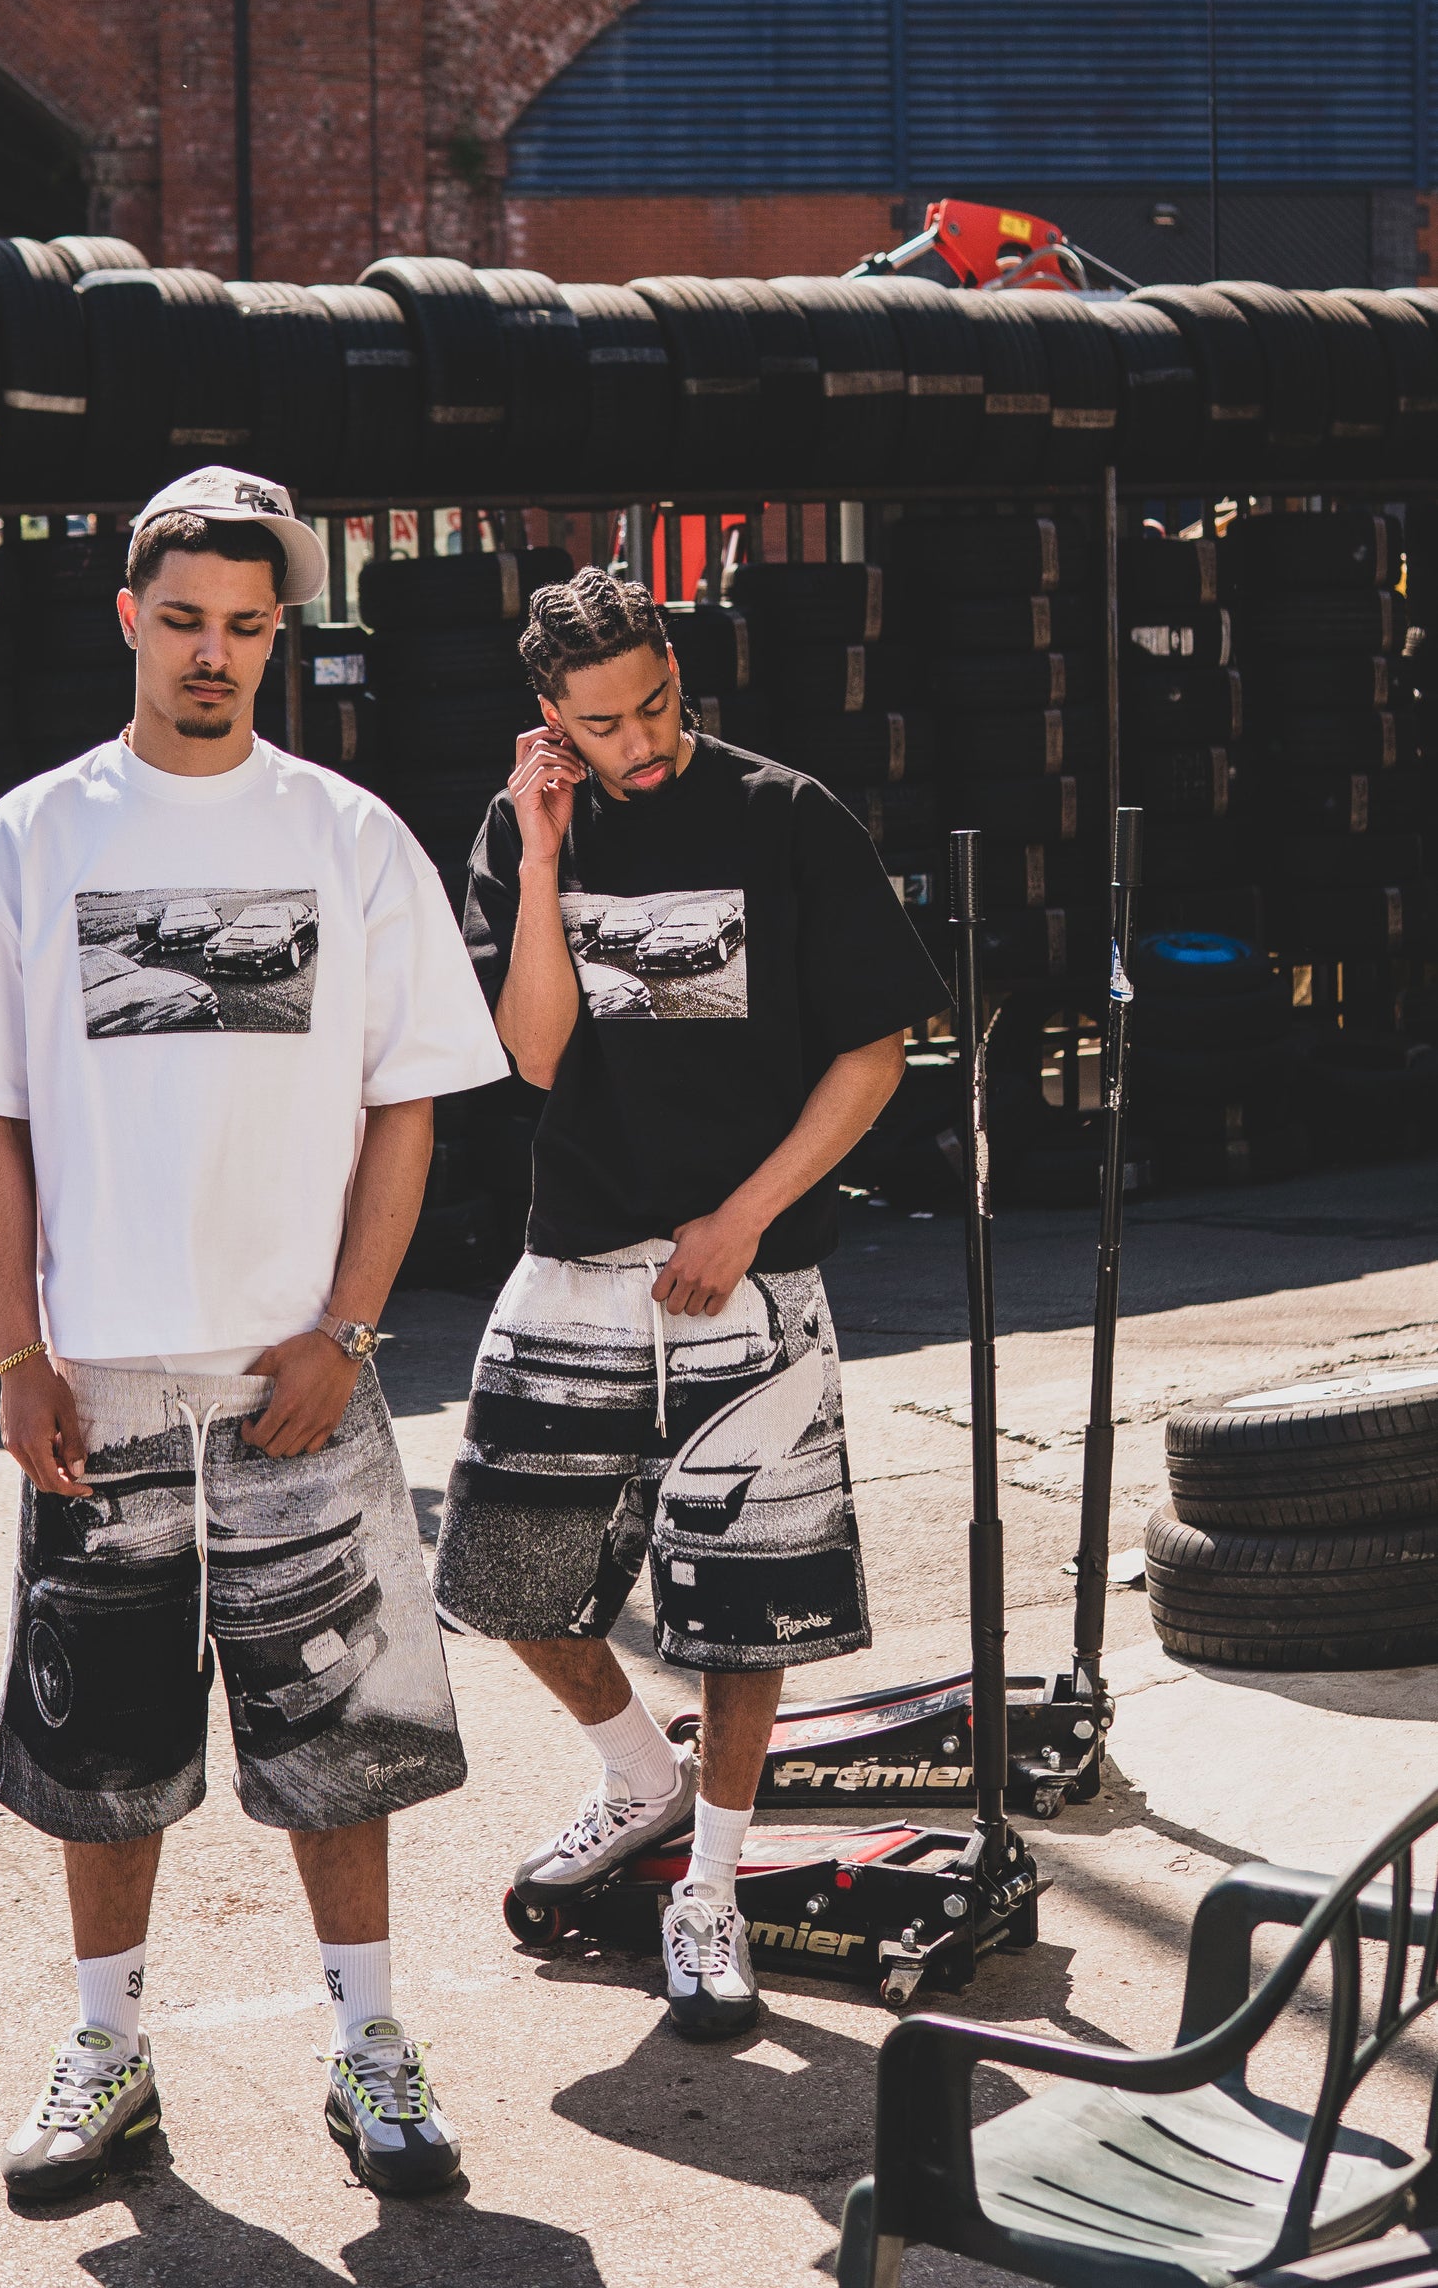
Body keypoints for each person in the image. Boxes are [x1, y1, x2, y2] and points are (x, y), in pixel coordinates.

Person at [0, 467, 508, 2205]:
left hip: (301, 1370)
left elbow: (404, 1113)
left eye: (243, 626)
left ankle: (370, 2043)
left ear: (277, 635)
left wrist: (347, 1332)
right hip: (102, 1380)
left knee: (340, 1738)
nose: (212, 654)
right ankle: (109, 2052)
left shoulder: (349, 836)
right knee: (101, 1751)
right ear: (128, 622)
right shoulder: (32, 839)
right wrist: (20, 1358)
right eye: (182, 621)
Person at [433, 566, 949, 2040]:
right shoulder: (522, 828)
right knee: (504, 1576)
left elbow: (874, 1050)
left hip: (754, 1273)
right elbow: (535, 1057)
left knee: (743, 1615)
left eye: (655, 704)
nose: (642, 741)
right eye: (602, 723)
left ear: (674, 669)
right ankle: (636, 1780)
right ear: (551, 718)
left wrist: (745, 1216)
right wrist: (542, 857)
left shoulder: (786, 814)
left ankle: (710, 1887)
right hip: (576, 1260)